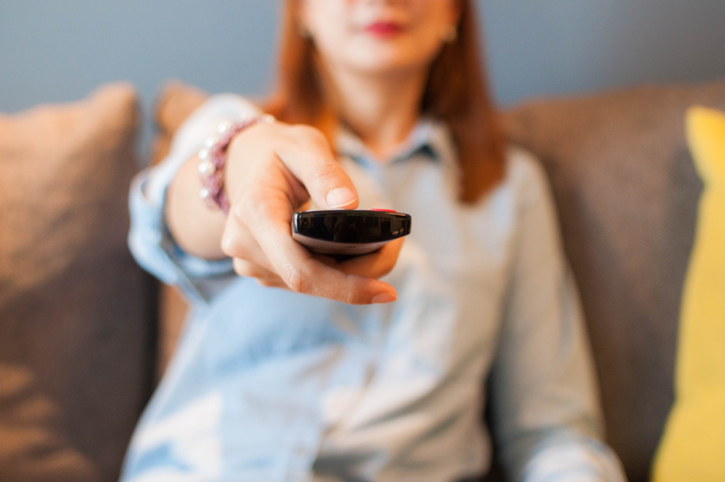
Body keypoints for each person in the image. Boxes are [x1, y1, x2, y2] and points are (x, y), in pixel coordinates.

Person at [122, 0, 626, 480]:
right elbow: (159, 225)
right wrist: (232, 170)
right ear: (302, 9)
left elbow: (552, 432)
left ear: (453, 10)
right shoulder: (240, 133)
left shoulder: (511, 190)